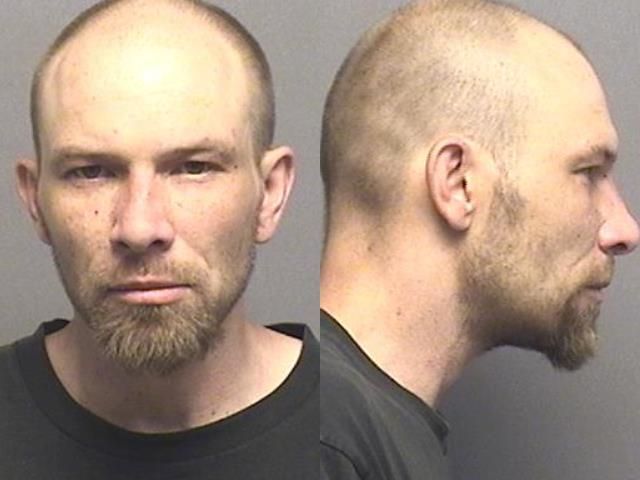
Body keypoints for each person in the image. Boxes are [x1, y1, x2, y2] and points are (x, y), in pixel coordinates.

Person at [319, 0, 640, 478]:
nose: (625, 230)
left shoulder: (358, 436)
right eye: (588, 172)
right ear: (459, 184)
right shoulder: (322, 445)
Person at [2, 0, 318, 478]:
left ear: (270, 194)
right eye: (91, 172)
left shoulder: (356, 438)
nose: (139, 227)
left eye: (193, 168)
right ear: (34, 201)